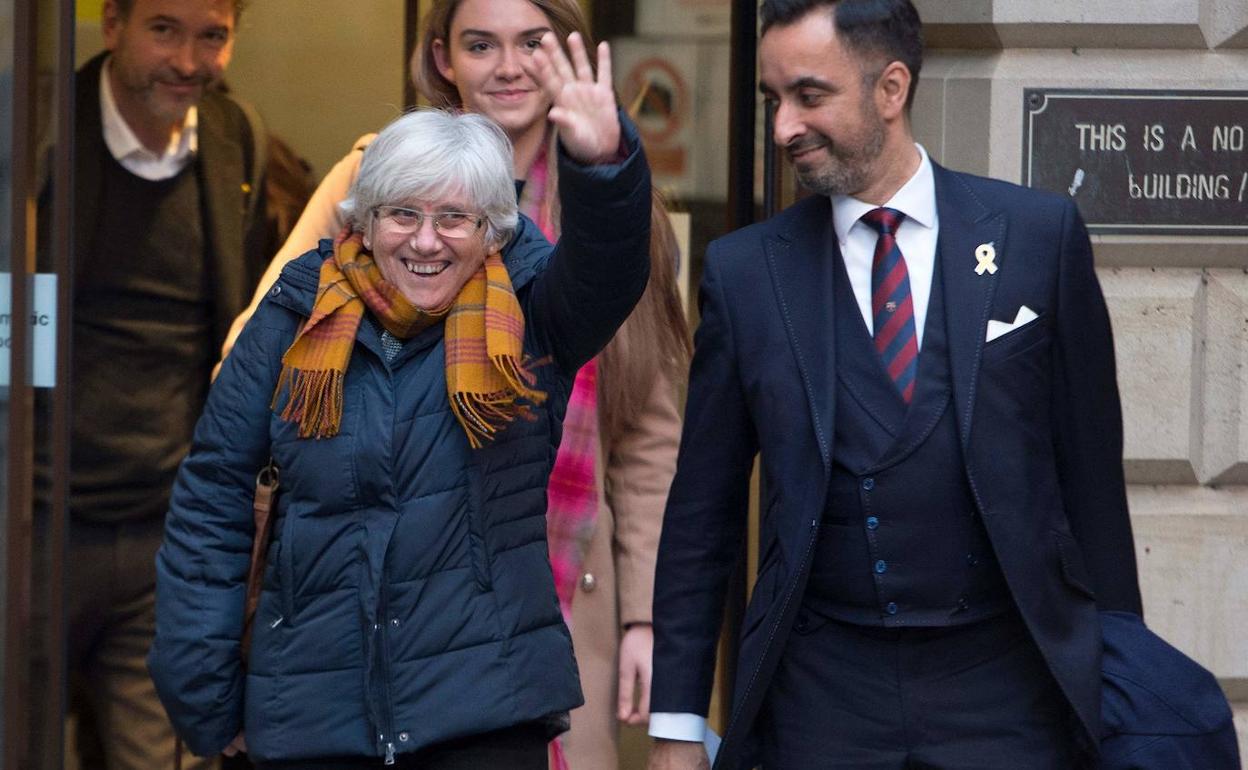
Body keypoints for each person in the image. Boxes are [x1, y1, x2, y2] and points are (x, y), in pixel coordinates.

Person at [646, 1, 1142, 769]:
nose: (783, 126)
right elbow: (701, 516)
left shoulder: (1036, 238)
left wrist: (1129, 693)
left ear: (891, 88)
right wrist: (676, 726)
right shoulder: (747, 274)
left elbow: (1094, 491)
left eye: (809, 95)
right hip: (819, 698)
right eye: (773, 100)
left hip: (1008, 693)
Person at [148, 29, 654, 769]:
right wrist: (208, 700)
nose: (426, 241)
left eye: (454, 218)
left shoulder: (531, 312)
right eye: (402, 214)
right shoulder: (294, 314)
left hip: (482, 715)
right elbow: (212, 501)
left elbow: (608, 275)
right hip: (312, 719)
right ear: (362, 219)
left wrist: (603, 165)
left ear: (492, 232)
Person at [39, 0, 266, 767]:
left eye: (213, 37)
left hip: (167, 537)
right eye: (163, 29)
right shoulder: (39, 132)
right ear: (112, 24)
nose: (189, 61)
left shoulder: (234, 139)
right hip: (34, 526)